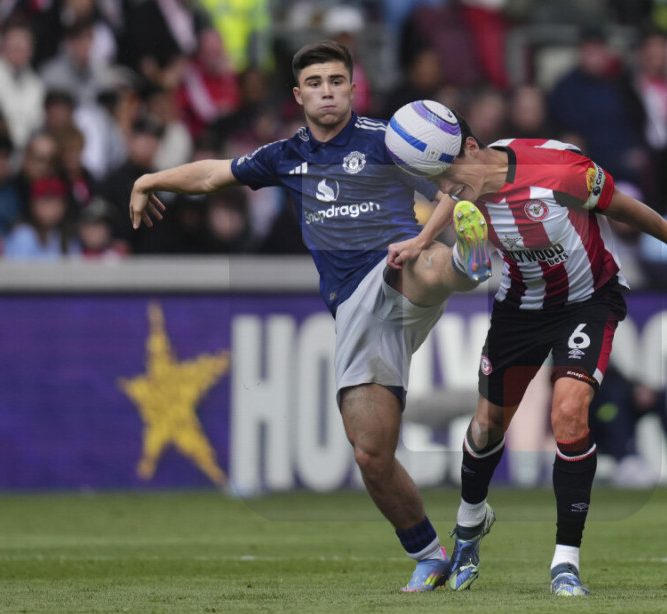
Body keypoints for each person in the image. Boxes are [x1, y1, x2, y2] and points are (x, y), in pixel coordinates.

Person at [127, 40, 492, 592]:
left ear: (353, 88)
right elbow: (212, 175)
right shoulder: (284, 155)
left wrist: (424, 236)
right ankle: (428, 553)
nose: (328, 91)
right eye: (316, 83)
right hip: (354, 310)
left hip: (397, 265)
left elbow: (462, 184)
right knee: (370, 453)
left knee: (425, 264)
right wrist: (148, 180)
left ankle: (468, 259)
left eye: (337, 81)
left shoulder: (390, 140)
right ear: (298, 95)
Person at [389, 101, 667, 596]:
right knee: (486, 427)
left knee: (569, 414)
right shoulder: (464, 181)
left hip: (587, 301)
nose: (444, 188)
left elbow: (619, 203)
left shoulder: (561, 170)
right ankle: (469, 526)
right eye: (436, 180)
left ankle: (565, 562)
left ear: (471, 149)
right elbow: (453, 192)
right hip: (520, 307)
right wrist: (423, 240)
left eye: (447, 175)